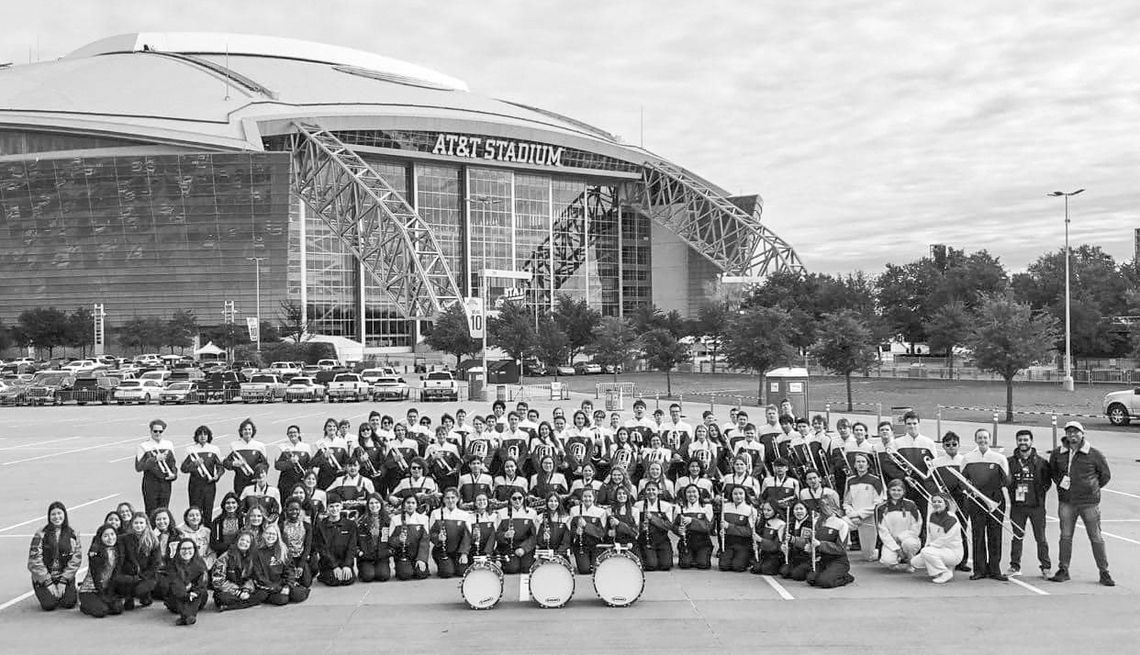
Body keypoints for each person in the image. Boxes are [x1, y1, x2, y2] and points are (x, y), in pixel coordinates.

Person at [1048, 421, 1114, 586]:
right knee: (1065, 536)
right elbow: (1053, 472)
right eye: (1069, 432)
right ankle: (1063, 569)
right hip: (1067, 502)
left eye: (1076, 432)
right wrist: (1062, 486)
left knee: (1096, 537)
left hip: (1089, 503)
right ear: (1066, 435)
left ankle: (1104, 571)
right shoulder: (1058, 453)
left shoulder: (1094, 454)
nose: (1072, 435)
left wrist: (1092, 488)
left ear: (1082, 434)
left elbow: (1105, 475)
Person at [962, 428, 1009, 581]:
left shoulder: (999, 458)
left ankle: (995, 569)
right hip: (976, 502)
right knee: (978, 535)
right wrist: (970, 490)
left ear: (989, 440)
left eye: (985, 438)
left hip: (996, 501)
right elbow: (962, 481)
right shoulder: (967, 458)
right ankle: (979, 570)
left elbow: (1006, 481)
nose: (982, 440)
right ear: (975, 440)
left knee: (995, 535)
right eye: (979, 438)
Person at [1007, 429, 1052, 578]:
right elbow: (1006, 481)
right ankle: (1014, 566)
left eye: (1026, 440)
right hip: (1018, 507)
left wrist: (1038, 494)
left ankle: (1045, 567)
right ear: (1016, 442)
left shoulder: (1041, 462)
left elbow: (1047, 482)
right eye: (1020, 440)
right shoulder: (1010, 462)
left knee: (1041, 538)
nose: (1023, 443)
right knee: (1017, 537)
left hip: (1036, 507)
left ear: (1031, 441)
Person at [27, 501, 81, 611]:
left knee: (68, 603)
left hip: (63, 577)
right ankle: (44, 590)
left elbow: (76, 559)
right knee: (49, 605)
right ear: (49, 516)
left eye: (59, 513)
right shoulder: (41, 534)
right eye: (53, 514)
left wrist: (64, 580)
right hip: (45, 577)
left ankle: (71, 589)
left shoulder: (73, 534)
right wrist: (48, 582)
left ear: (64, 515)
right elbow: (34, 560)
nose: (57, 517)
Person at [910, 493, 964, 584]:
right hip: (938, 549)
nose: (936, 504)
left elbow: (946, 539)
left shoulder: (951, 518)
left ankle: (945, 572)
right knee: (915, 562)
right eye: (934, 502)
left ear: (946, 504)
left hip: (953, 553)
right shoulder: (932, 516)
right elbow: (930, 535)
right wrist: (927, 545)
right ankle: (942, 569)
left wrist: (929, 547)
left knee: (926, 552)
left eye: (939, 501)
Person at [842, 452, 883, 562]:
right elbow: (846, 502)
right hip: (853, 518)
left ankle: (881, 551)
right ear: (854, 465)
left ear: (868, 465)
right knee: (841, 524)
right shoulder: (850, 480)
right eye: (858, 462)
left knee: (868, 557)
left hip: (869, 519)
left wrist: (859, 514)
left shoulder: (875, 480)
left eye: (863, 462)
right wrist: (851, 513)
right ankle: (841, 552)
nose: (860, 464)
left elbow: (878, 503)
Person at [115, 512, 161, 609]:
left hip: (147, 575)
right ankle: (128, 597)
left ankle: (145, 595)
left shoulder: (153, 540)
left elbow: (156, 563)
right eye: (136, 523)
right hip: (130, 572)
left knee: (140, 589)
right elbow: (122, 558)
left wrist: (143, 576)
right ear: (132, 524)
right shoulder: (124, 539)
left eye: (141, 523)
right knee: (124, 581)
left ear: (146, 524)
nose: (138, 525)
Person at [806, 496, 854, 588]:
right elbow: (813, 540)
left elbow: (841, 549)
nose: (825, 507)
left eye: (828, 504)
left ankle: (846, 577)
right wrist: (810, 545)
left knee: (825, 582)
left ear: (833, 506)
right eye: (822, 505)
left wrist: (820, 544)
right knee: (811, 579)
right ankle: (829, 574)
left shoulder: (841, 524)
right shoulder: (816, 522)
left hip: (838, 560)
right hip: (823, 559)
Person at [211, 531, 266, 611]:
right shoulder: (225, 557)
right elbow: (217, 581)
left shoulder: (252, 558)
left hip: (245, 589)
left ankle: (229, 607)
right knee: (222, 598)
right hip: (228, 591)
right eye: (242, 540)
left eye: (247, 541)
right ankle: (248, 603)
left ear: (251, 545)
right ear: (237, 541)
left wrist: (246, 590)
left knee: (262, 594)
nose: (244, 543)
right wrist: (238, 592)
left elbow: (253, 577)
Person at [159, 538, 209, 625]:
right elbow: (175, 584)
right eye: (184, 549)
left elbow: (203, 583)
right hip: (178, 598)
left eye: (190, 548)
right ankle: (188, 616)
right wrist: (187, 595)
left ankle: (187, 617)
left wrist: (195, 592)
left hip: (195, 597)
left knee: (202, 593)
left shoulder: (200, 563)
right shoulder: (172, 564)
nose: (187, 551)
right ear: (179, 550)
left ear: (194, 549)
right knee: (177, 594)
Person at [78, 524, 124, 618]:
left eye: (112, 534)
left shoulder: (118, 550)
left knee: (118, 609)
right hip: (91, 589)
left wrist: (109, 593)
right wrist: (103, 595)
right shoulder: (95, 552)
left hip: (106, 588)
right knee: (101, 611)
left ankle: (100, 603)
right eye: (106, 536)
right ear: (100, 538)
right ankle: (84, 604)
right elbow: (96, 576)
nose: (110, 538)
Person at [257, 525, 309, 605]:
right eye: (268, 533)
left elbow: (289, 570)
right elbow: (259, 575)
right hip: (267, 585)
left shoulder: (284, 550)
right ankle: (271, 596)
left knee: (299, 595)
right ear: (263, 535)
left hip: (282, 582)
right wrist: (278, 588)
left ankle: (285, 593)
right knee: (281, 599)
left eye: (273, 534)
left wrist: (287, 586)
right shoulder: (257, 552)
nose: (270, 536)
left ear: (278, 536)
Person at [876, 479, 921, 570]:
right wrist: (896, 547)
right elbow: (882, 531)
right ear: (888, 491)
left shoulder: (911, 505)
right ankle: (897, 557)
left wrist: (901, 538)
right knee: (887, 561)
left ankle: (910, 561)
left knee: (909, 544)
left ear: (904, 492)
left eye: (899, 490)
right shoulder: (881, 507)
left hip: (908, 539)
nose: (896, 493)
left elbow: (916, 525)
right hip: (892, 541)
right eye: (893, 490)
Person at [135, 419, 178, 515]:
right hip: (151, 483)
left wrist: (174, 474)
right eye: (155, 431)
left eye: (160, 431)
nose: (157, 433)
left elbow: (172, 463)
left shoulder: (168, 444)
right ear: (150, 431)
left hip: (165, 483)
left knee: (164, 510)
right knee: (151, 511)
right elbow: (139, 467)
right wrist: (155, 459)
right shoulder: (143, 446)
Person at [314, 494, 358, 586]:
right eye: (331, 506)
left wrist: (347, 565)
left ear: (341, 506)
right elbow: (323, 550)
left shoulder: (350, 525)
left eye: (337, 506)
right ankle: (322, 575)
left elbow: (352, 547)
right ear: (327, 508)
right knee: (335, 581)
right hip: (328, 564)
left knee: (348, 580)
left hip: (344, 562)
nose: (334, 509)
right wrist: (334, 566)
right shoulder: (320, 526)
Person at [181, 425, 222, 522]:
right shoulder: (190, 450)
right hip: (195, 485)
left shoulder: (214, 449)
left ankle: (207, 534)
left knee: (208, 511)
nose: (203, 436)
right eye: (200, 434)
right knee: (195, 512)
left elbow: (220, 467)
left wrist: (217, 476)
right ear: (196, 436)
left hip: (209, 485)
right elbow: (184, 468)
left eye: (205, 434)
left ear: (209, 436)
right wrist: (194, 464)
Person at [430, 488, 472, 578]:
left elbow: (467, 537)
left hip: (458, 551)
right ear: (444, 499)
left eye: (453, 497)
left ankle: (453, 563)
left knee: (462, 572)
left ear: (457, 499)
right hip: (442, 550)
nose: (450, 500)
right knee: (447, 573)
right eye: (447, 498)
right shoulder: (435, 513)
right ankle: (444, 564)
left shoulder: (465, 515)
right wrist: (438, 537)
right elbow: (431, 533)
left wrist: (464, 553)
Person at [389, 496, 430, 580]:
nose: (410, 505)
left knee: (421, 574)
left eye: (413, 503)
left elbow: (425, 541)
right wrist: (398, 540)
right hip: (402, 556)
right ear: (403, 505)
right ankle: (401, 567)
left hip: (417, 555)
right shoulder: (395, 519)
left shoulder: (424, 519)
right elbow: (390, 541)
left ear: (416, 505)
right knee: (405, 575)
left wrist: (421, 559)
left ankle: (419, 565)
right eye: (408, 503)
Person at [637, 481, 675, 571]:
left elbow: (668, 525)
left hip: (662, 540)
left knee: (666, 565)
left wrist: (652, 519)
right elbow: (634, 524)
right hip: (646, 541)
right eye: (648, 490)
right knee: (651, 566)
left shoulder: (666, 506)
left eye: (653, 489)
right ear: (645, 491)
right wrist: (642, 526)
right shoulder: (638, 505)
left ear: (658, 491)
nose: (651, 492)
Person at [224, 418, 268, 496]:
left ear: (253, 431)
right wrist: (234, 463)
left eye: (249, 429)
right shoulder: (234, 445)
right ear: (241, 431)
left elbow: (265, 465)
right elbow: (225, 463)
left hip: (255, 481)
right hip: (240, 481)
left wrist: (260, 474)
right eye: (245, 429)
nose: (247, 431)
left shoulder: (260, 446)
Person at [498, 491, 539, 574]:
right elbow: (497, 534)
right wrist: (505, 535)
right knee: (512, 568)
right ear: (510, 500)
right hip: (509, 547)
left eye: (520, 498)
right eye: (514, 498)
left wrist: (524, 548)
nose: (517, 501)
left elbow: (534, 535)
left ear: (524, 499)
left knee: (527, 567)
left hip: (525, 547)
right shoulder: (501, 513)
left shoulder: (531, 513)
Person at [675, 485, 713, 570]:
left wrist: (692, 521)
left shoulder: (707, 507)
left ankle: (698, 556)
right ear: (685, 495)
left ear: (699, 494)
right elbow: (674, 525)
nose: (691, 494)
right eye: (688, 492)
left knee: (703, 565)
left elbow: (708, 527)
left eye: (694, 492)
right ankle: (691, 556)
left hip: (703, 542)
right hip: (687, 542)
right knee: (685, 564)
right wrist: (678, 530)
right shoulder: (680, 508)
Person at [718, 486, 755, 573]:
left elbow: (749, 532)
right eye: (735, 494)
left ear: (745, 495)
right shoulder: (725, 507)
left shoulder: (751, 510)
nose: (738, 496)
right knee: (724, 566)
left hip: (743, 544)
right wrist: (721, 531)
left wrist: (729, 527)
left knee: (738, 567)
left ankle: (748, 559)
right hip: (729, 543)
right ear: (731, 495)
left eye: (741, 493)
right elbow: (721, 526)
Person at [279, 498, 315, 586]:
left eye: (296, 509)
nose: (294, 512)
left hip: (300, 558)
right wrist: (291, 565)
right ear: (286, 510)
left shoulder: (307, 526)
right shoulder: (281, 527)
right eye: (291, 509)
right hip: (287, 559)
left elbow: (307, 547)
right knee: (288, 580)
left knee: (306, 583)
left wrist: (301, 566)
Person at [274, 424, 311, 500]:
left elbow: (310, 465)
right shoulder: (281, 447)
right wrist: (290, 463)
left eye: (295, 432)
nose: (292, 434)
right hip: (286, 482)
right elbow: (277, 465)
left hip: (301, 481)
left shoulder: (306, 447)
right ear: (287, 435)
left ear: (299, 434)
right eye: (290, 433)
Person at [780, 501, 814, 581]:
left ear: (806, 510)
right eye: (796, 509)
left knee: (797, 575)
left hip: (806, 556)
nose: (799, 511)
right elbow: (784, 539)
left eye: (801, 509)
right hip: (793, 556)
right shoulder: (790, 523)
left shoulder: (811, 523)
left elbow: (808, 542)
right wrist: (784, 546)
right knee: (784, 572)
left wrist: (793, 539)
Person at [750, 501, 785, 576]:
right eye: (764, 510)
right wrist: (757, 545)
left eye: (769, 510)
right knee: (756, 569)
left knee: (767, 570)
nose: (766, 512)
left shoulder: (781, 524)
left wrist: (761, 540)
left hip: (774, 555)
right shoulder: (762, 521)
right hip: (763, 553)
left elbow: (777, 545)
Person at [536, 492, 572, 557]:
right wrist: (543, 539)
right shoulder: (540, 518)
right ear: (547, 502)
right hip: (545, 553)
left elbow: (567, 540)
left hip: (561, 553)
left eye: (555, 501)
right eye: (551, 501)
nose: (553, 503)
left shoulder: (565, 518)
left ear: (559, 503)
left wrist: (559, 552)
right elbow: (538, 539)